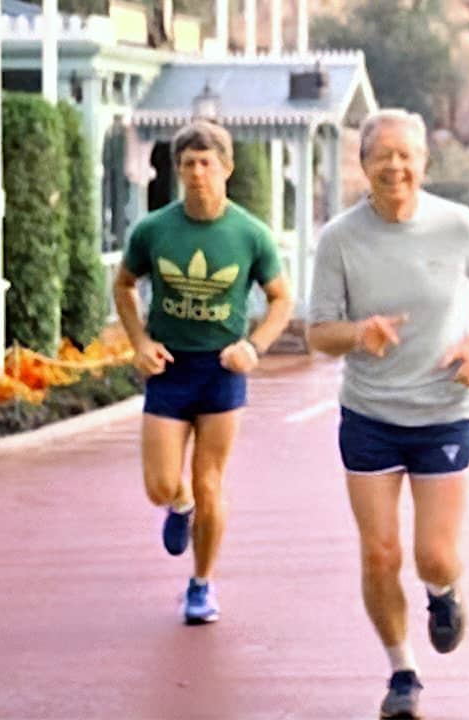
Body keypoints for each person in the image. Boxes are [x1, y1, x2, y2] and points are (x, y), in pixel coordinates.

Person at [307, 109, 469, 719]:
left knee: (434, 557)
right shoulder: (339, 237)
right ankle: (402, 672)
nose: (395, 166)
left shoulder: (457, 224)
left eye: (406, 155)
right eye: (381, 156)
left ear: (424, 162)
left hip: (443, 409)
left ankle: (444, 593)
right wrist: (357, 334)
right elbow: (318, 333)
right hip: (369, 414)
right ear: (363, 165)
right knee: (380, 555)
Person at [113, 119, 293, 625]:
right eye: (188, 164)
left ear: (226, 169)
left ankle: (201, 585)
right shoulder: (153, 229)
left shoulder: (250, 233)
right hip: (170, 368)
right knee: (160, 484)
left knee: (212, 479)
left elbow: (282, 299)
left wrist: (253, 347)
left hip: (220, 369)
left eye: (206, 164)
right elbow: (124, 286)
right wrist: (139, 342)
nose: (197, 174)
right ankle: (179, 504)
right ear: (176, 171)